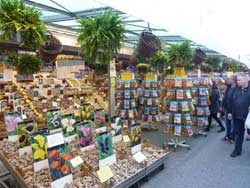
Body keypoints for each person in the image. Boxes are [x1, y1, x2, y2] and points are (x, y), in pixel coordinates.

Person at [228, 73, 250, 157]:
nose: (237, 82)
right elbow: (230, 101)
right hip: (237, 116)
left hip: (248, 117)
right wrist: (230, 112)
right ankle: (237, 150)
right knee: (238, 134)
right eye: (237, 80)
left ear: (245, 80)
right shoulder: (235, 89)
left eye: (239, 80)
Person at [221, 76, 236, 143]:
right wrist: (222, 106)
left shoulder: (236, 89)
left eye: (230, 79)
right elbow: (225, 98)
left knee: (233, 124)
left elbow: (234, 101)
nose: (228, 80)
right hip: (227, 108)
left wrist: (231, 111)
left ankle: (232, 137)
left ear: (233, 81)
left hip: (233, 110)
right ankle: (227, 135)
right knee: (227, 123)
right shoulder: (228, 87)